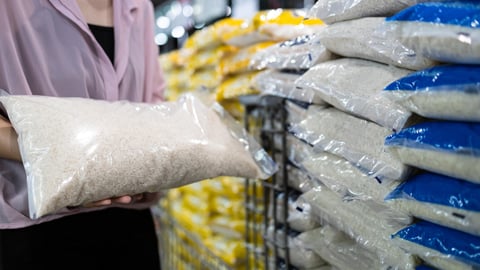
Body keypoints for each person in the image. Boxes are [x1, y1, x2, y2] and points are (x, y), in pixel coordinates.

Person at [0, 0, 165, 269]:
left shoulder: (139, 6)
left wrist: (153, 161)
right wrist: (61, 156)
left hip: (129, 221)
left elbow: (154, 98)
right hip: (33, 225)